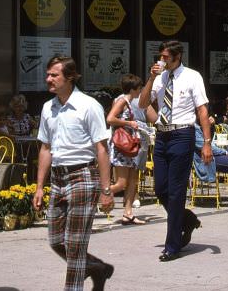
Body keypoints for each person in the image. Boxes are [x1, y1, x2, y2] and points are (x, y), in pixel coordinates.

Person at [32, 56, 114, 290]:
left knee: (75, 244)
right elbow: (45, 148)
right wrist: (39, 187)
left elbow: (101, 148)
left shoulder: (89, 106)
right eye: (48, 74)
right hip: (58, 178)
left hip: (83, 177)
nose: (48, 79)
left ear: (69, 78)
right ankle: (98, 268)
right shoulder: (48, 107)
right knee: (56, 241)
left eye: (54, 75)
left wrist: (106, 190)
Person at [139, 41, 212, 262]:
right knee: (160, 187)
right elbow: (143, 104)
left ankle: (172, 246)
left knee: (176, 191)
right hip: (162, 135)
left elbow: (202, 109)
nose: (162, 61)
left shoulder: (192, 76)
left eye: (165, 57)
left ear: (177, 56)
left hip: (182, 134)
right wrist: (151, 78)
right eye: (160, 57)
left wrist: (207, 142)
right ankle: (186, 219)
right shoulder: (160, 77)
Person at [106, 74, 147, 225]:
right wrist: (130, 123)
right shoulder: (122, 100)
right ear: (133, 89)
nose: (141, 91)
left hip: (128, 147)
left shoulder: (127, 101)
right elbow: (110, 119)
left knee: (131, 181)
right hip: (121, 148)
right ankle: (94, 195)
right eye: (139, 88)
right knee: (121, 184)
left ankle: (128, 213)